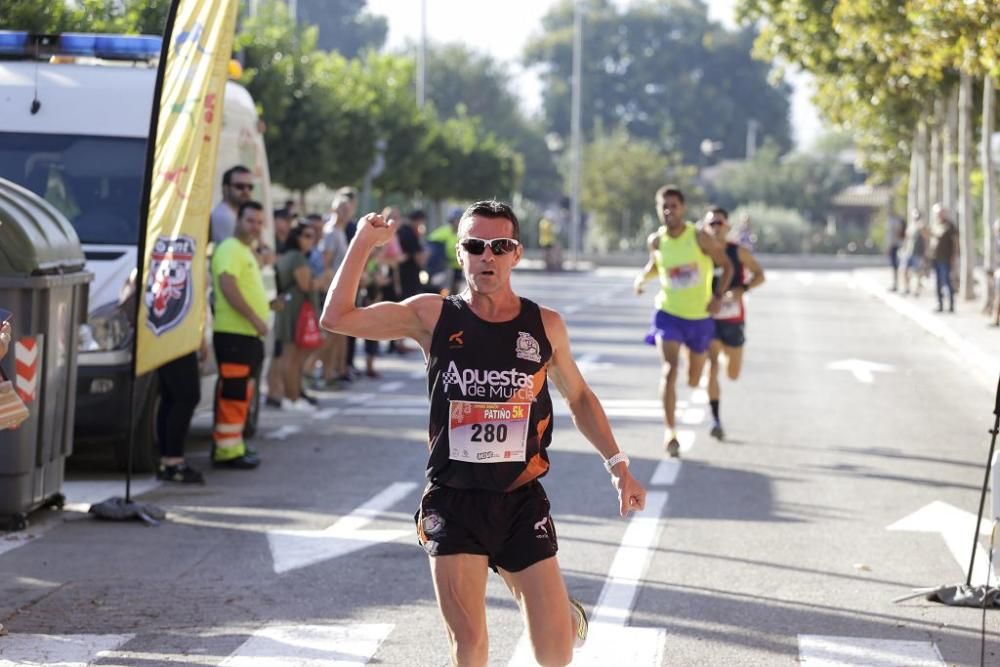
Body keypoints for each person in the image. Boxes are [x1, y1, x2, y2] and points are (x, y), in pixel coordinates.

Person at [320, 200, 647, 667]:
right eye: (475, 246)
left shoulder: (544, 325)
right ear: (460, 254)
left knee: (555, 654)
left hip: (519, 498)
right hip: (454, 502)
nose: (486, 256)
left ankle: (552, 607)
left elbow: (578, 396)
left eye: (499, 246)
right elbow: (337, 318)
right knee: (471, 648)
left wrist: (619, 467)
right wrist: (361, 244)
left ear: (516, 254)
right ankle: (542, 600)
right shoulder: (433, 316)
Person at [634, 186, 733, 458]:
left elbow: (727, 265)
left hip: (699, 318)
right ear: (659, 209)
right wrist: (641, 279)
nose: (669, 211)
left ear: (683, 208)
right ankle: (670, 432)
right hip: (668, 313)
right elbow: (656, 264)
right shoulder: (656, 241)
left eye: (673, 206)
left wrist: (717, 297)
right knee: (669, 369)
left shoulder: (699, 237)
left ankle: (693, 367)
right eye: (664, 206)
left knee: (693, 379)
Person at [210, 201, 281, 468]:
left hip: (246, 335)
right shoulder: (230, 248)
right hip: (234, 334)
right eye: (250, 221)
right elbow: (228, 285)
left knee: (241, 394)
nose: (255, 227)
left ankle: (234, 445)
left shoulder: (244, 251)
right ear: (238, 220)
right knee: (233, 394)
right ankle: (227, 451)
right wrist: (254, 318)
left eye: (259, 222)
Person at [701, 207, 765, 441]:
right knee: (712, 367)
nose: (715, 227)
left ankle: (728, 356)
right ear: (705, 227)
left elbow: (760, 274)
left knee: (733, 373)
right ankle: (716, 420)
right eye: (711, 223)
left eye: (719, 223)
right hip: (708, 319)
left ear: (727, 226)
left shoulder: (738, 252)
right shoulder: (701, 252)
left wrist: (743, 289)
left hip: (733, 320)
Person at [275, 223, 328, 411]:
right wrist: (320, 281)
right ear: (296, 237)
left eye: (312, 236)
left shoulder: (288, 256)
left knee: (291, 357)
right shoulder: (297, 258)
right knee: (293, 358)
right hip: (295, 311)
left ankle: (293, 396)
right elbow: (306, 285)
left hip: (290, 309)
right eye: (306, 235)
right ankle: (292, 398)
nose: (310, 240)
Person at [155, 350, 205, 483]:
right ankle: (174, 462)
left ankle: (167, 461)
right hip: (179, 340)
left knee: (171, 398)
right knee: (185, 397)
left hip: (167, 338)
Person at [210, 166, 254, 245]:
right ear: (226, 189)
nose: (246, 191)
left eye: (250, 187)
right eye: (240, 186)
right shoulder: (225, 216)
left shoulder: (236, 215)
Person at [929, 203, 958, 313]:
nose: (939, 215)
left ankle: (951, 305)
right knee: (937, 282)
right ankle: (940, 304)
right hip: (935, 257)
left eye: (941, 213)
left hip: (945, 258)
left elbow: (955, 243)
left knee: (946, 281)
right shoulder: (935, 224)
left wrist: (954, 257)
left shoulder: (950, 226)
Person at [427, 207, 464, 295]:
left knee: (456, 287)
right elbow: (431, 241)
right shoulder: (445, 231)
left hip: (458, 266)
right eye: (456, 220)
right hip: (445, 265)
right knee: (443, 287)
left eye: (460, 220)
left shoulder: (465, 233)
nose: (458, 222)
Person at [900, 209, 927, 297]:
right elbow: (906, 238)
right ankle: (906, 288)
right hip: (908, 252)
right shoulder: (910, 226)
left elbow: (927, 238)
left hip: (918, 253)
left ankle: (916, 290)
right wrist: (903, 248)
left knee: (917, 272)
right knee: (903, 270)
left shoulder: (922, 226)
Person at [886, 212, 905, 292]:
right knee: (896, 267)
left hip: (896, 247)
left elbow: (894, 236)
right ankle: (896, 284)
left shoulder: (894, 222)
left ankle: (898, 285)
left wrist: (889, 247)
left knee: (897, 267)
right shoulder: (897, 222)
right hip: (897, 246)